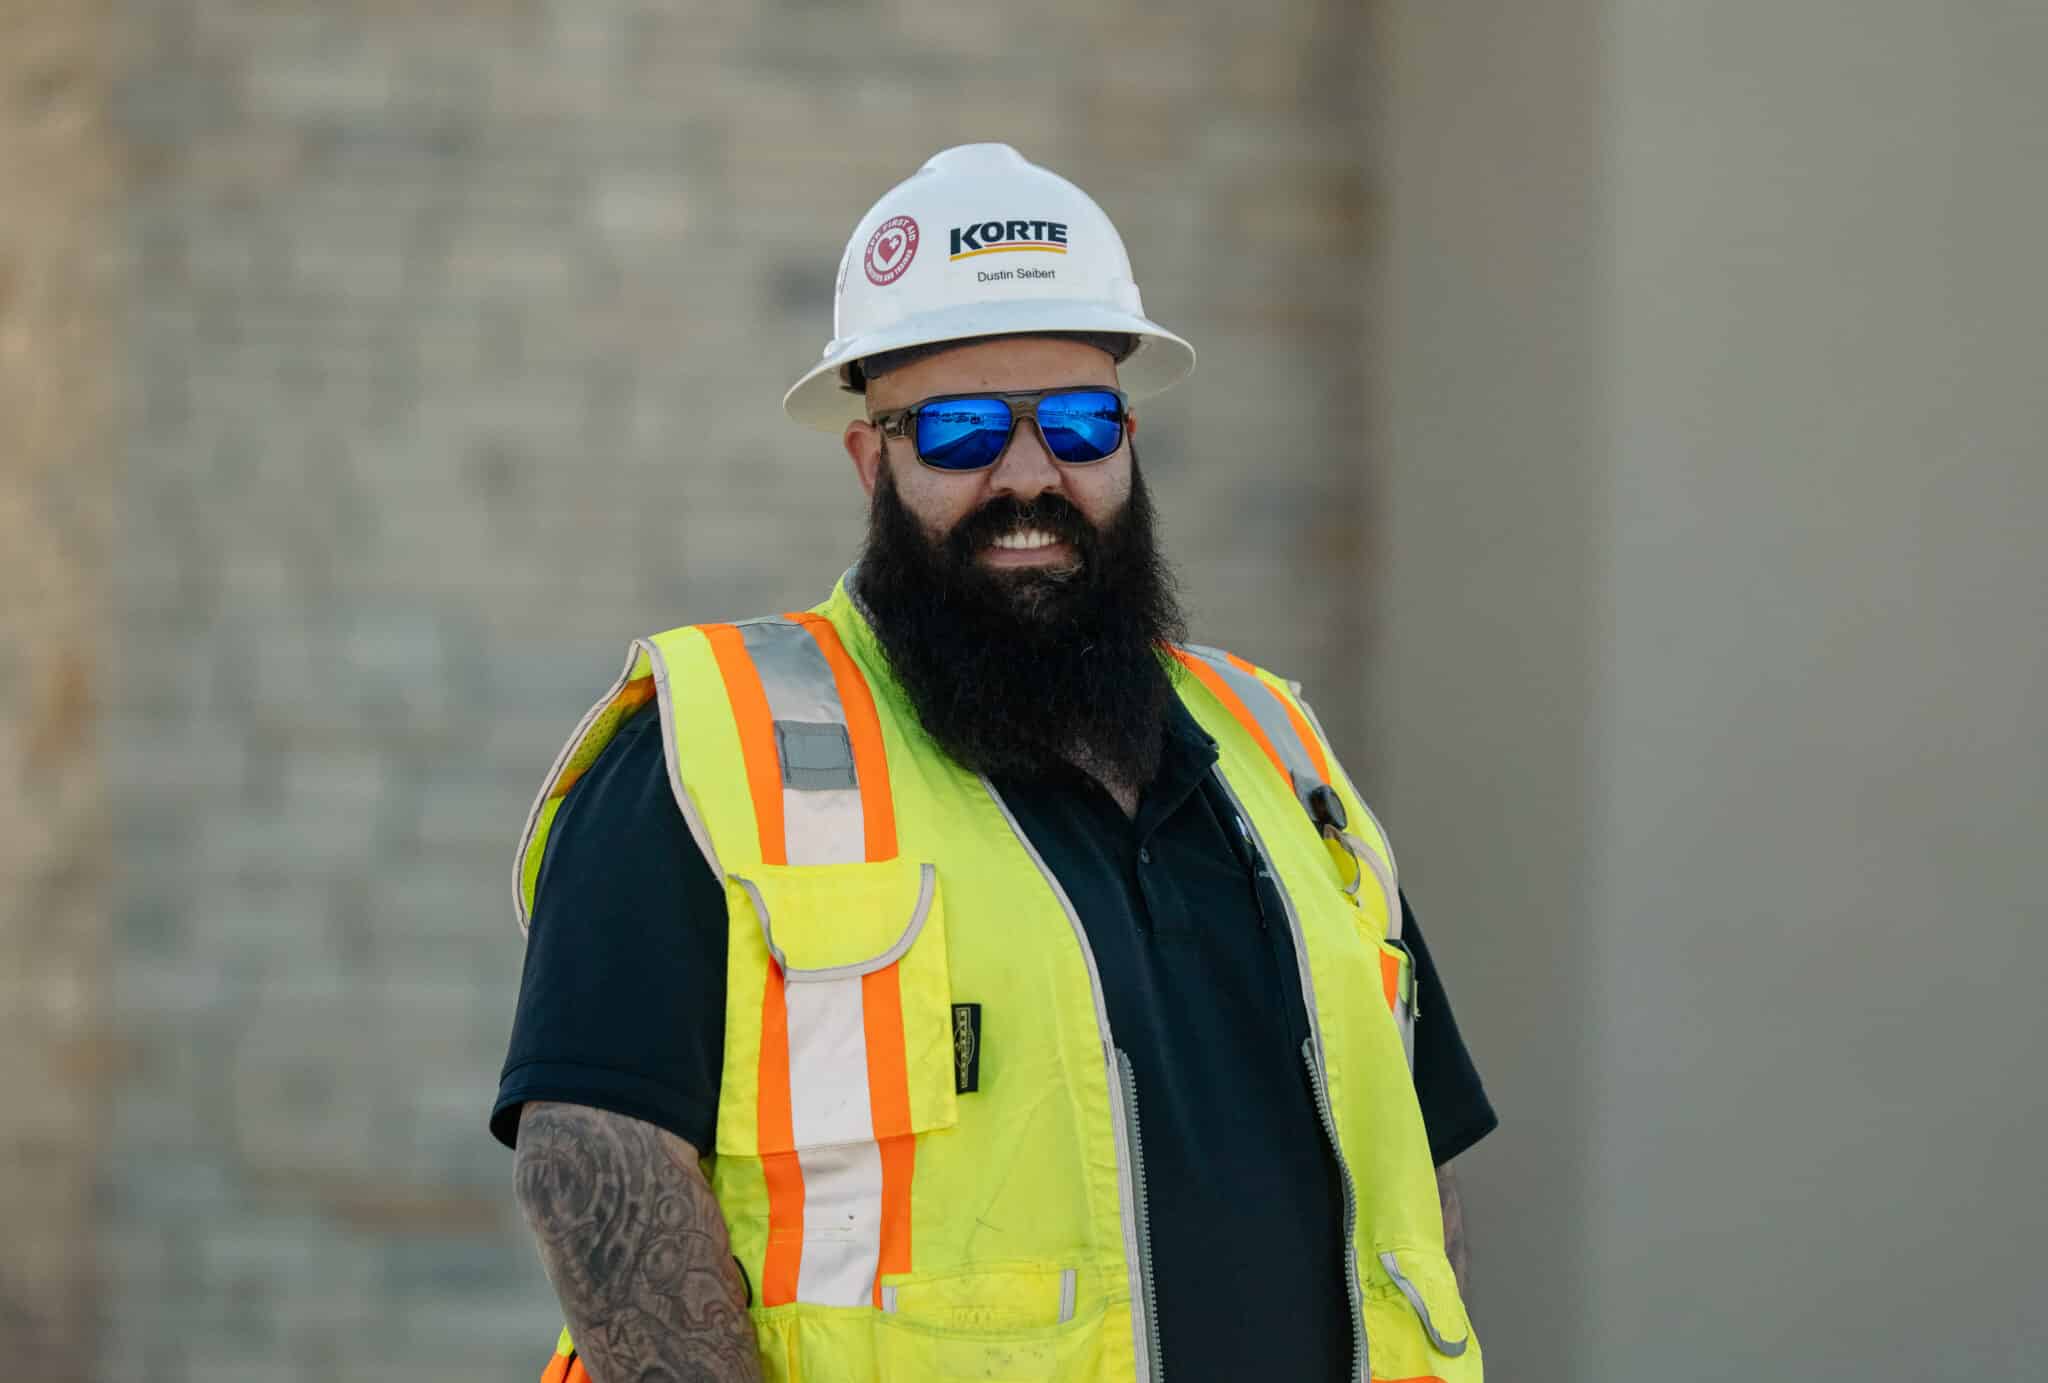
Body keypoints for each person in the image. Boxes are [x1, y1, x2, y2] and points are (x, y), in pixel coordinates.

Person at [493, 143, 1494, 1383]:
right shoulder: (706, 753)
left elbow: (1419, 1167)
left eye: (1077, 423)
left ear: (1125, 442)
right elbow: (593, 1164)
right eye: (962, 432)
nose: (1030, 475)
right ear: (872, 461)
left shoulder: (1276, 751)